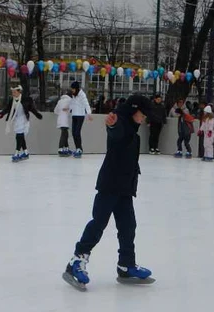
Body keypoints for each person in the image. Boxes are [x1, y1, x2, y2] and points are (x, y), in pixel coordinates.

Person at [62, 95, 155, 291]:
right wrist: (111, 126)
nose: (144, 118)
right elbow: (115, 133)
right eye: (142, 114)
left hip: (124, 189)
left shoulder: (132, 128)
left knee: (128, 226)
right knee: (98, 223)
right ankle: (76, 262)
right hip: (110, 185)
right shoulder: (120, 123)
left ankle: (126, 265)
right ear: (133, 111)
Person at [0, 86, 43, 162]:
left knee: (19, 136)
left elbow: (32, 108)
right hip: (16, 120)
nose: (13, 93)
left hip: (24, 120)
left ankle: (17, 152)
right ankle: (25, 152)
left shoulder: (26, 99)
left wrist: (37, 114)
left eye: (14, 92)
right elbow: (8, 108)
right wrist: (1, 114)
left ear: (19, 92)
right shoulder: (12, 100)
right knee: (20, 136)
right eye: (12, 92)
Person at [69, 81, 93, 158]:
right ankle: (78, 148)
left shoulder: (82, 95)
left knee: (77, 132)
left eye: (73, 89)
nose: (72, 90)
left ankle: (79, 149)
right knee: (73, 133)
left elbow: (86, 104)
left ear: (76, 88)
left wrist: (89, 113)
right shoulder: (74, 95)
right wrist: (68, 109)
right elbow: (72, 103)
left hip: (80, 115)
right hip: (74, 115)